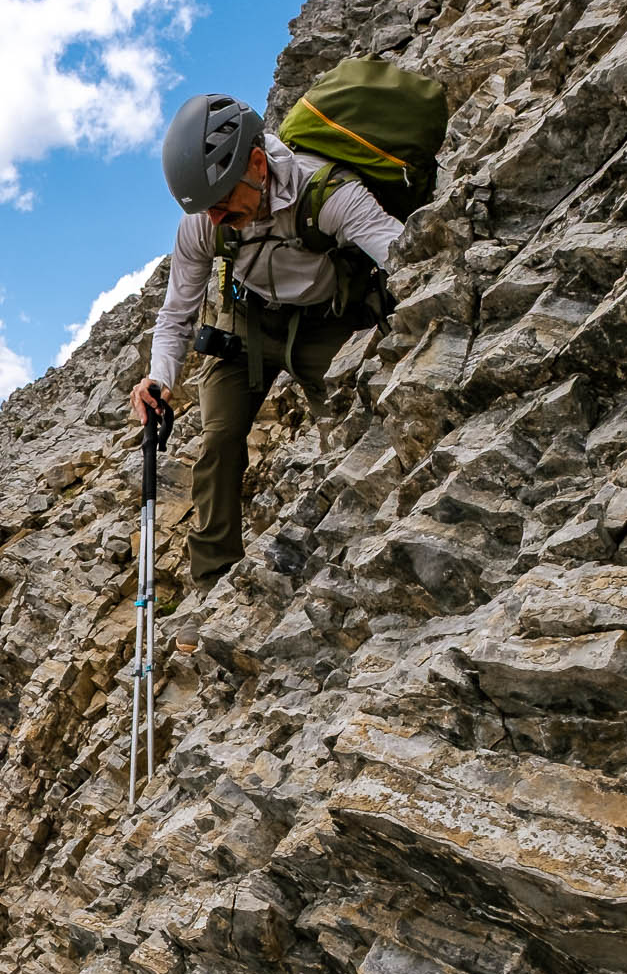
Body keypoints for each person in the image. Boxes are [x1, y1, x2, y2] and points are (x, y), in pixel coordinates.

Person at [129, 72, 433, 597]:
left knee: (352, 426)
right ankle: (213, 581)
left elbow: (404, 257)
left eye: (223, 201)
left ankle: (363, 540)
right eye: (206, 208)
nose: (216, 218)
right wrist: (160, 379)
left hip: (327, 322)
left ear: (256, 163)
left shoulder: (329, 193)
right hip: (243, 326)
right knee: (219, 440)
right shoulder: (204, 223)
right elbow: (176, 314)